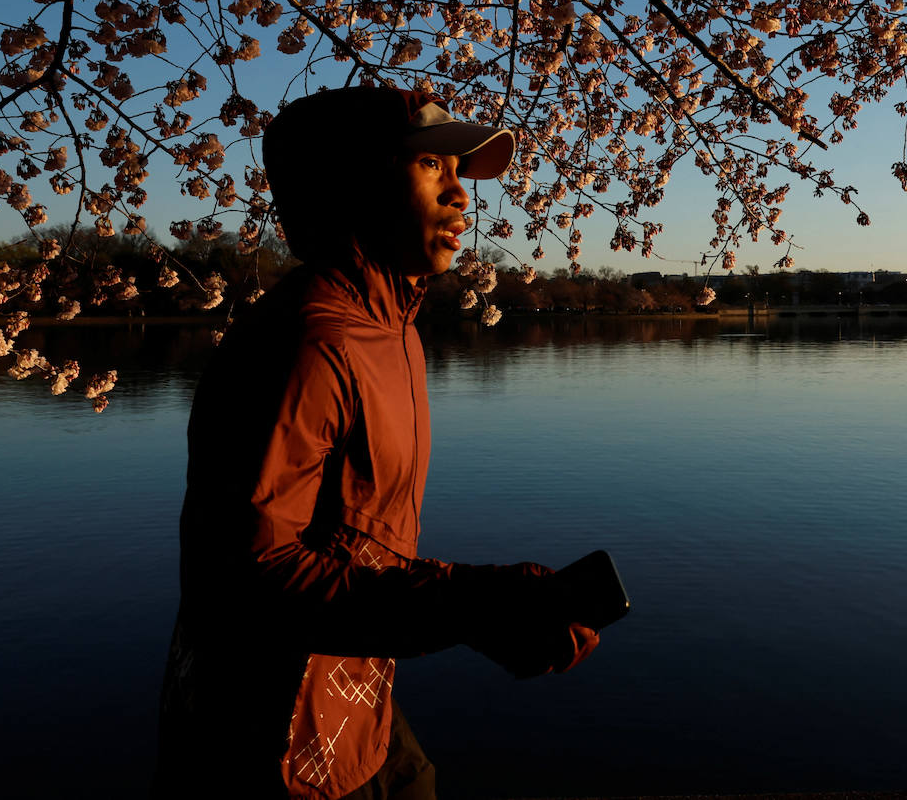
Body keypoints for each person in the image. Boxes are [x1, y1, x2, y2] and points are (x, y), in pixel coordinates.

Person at [152, 86, 599, 799]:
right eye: (432, 165)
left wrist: (484, 609)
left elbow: (360, 536)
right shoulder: (309, 344)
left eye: (461, 173)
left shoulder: (393, 327)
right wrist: (474, 605)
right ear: (355, 182)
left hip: (358, 696)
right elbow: (248, 579)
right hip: (268, 745)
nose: (462, 197)